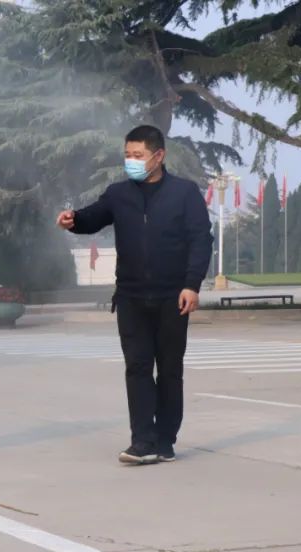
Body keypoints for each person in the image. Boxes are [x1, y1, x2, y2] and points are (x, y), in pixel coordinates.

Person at [57, 125, 212, 465]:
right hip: (130, 297)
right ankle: (142, 441)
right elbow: (92, 217)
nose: (131, 161)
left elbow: (201, 240)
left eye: (138, 156)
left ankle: (166, 440)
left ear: (159, 156)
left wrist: (192, 284)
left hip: (173, 297)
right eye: (127, 155)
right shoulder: (118, 194)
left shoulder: (184, 193)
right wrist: (73, 220)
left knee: (169, 370)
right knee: (137, 368)